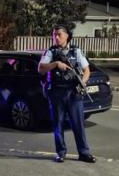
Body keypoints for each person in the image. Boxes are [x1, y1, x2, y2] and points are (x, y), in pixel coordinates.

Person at [38, 25, 96, 163]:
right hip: (57, 92)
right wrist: (56, 64)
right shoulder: (51, 52)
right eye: (54, 35)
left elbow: (87, 70)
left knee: (78, 124)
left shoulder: (76, 51)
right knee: (58, 124)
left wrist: (83, 81)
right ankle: (61, 152)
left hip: (74, 92)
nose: (56, 37)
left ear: (67, 36)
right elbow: (40, 69)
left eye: (59, 34)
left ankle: (84, 153)